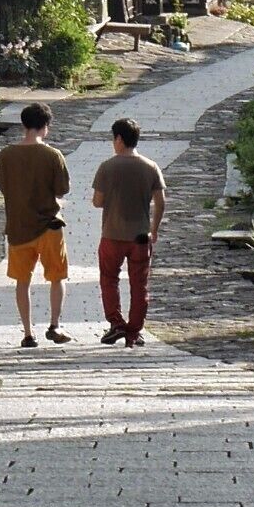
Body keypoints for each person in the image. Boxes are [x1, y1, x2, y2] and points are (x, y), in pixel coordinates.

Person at [0, 101, 72, 347]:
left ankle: (28, 333)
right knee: (57, 277)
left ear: (24, 124)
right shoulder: (52, 155)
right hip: (49, 226)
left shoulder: (6, 155)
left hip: (18, 227)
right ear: (45, 126)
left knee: (22, 280)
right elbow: (63, 189)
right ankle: (54, 324)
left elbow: (3, 186)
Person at [91, 116, 166, 347]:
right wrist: (154, 229)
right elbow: (161, 201)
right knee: (139, 285)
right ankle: (134, 331)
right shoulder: (150, 166)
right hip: (140, 236)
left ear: (119, 139)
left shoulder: (107, 166)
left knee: (109, 279)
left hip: (112, 233)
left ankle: (116, 323)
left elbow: (97, 201)